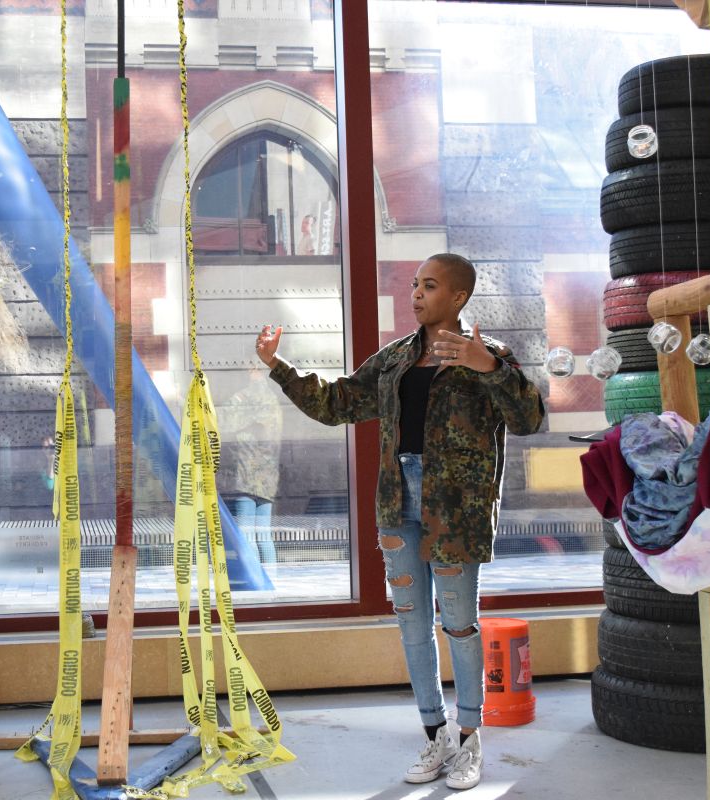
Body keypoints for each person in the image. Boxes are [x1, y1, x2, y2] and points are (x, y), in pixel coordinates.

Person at [254, 253, 543, 791]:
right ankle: (435, 735)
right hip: (397, 504)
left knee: (459, 623)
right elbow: (337, 403)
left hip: (454, 511)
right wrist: (279, 366)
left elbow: (528, 418)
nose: (416, 294)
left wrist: (489, 368)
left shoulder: (488, 356)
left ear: (458, 297)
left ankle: (470, 738)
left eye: (429, 286)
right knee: (412, 624)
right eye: (414, 284)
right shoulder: (395, 359)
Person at [218, 365, 283, 578]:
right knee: (264, 535)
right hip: (268, 479)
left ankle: (254, 581)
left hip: (247, 477)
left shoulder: (245, 397)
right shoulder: (273, 400)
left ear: (252, 371)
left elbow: (221, 420)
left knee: (246, 535)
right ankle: (272, 579)